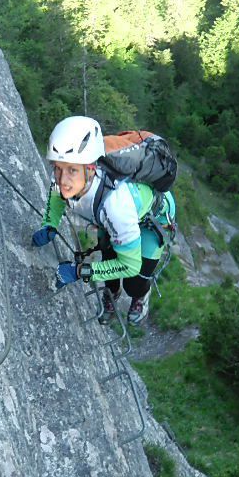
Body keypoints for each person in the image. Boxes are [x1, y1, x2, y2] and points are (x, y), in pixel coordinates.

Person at [32, 116, 176, 325]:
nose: (62, 179)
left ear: (90, 169)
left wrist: (80, 271)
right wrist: (50, 223)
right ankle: (112, 293)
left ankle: (140, 297)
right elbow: (57, 192)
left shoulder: (117, 206)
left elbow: (130, 265)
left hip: (153, 221)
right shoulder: (73, 174)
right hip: (110, 215)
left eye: (71, 170)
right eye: (57, 167)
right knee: (107, 256)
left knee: (134, 283)